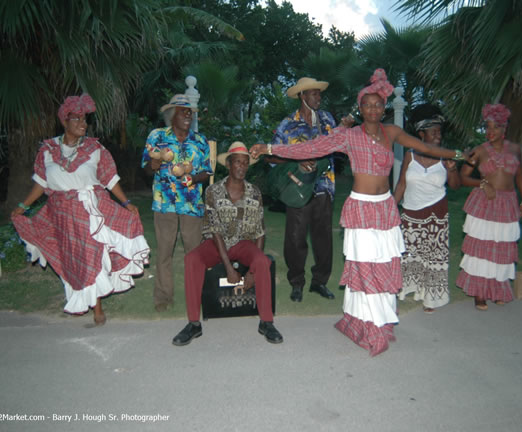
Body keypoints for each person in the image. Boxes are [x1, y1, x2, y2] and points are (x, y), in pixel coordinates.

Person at [250, 69, 464, 356]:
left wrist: (458, 155)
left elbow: (424, 146)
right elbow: (310, 148)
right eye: (368, 104)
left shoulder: (393, 132)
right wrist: (269, 147)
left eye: (378, 104)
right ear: (360, 108)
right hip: (361, 207)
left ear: (384, 106)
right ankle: (366, 324)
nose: (373, 109)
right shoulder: (349, 136)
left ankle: (381, 320)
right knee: (365, 267)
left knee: (384, 265)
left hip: (386, 208)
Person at [11, 94, 150, 326]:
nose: (83, 124)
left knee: (90, 254)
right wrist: (23, 207)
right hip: (62, 214)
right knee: (72, 258)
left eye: (85, 120)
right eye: (77, 119)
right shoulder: (47, 150)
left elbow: (109, 179)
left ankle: (97, 307)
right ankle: (81, 296)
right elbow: (41, 183)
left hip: (91, 209)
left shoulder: (95, 149)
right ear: (65, 122)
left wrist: (126, 203)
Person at [172, 142, 283, 346]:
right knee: (192, 260)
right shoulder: (213, 191)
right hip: (217, 243)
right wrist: (228, 268)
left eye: (245, 163)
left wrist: (251, 272)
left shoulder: (255, 192)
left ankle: (266, 321)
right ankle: (193, 324)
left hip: (243, 242)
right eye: (237, 163)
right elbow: (214, 230)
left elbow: (260, 231)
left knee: (262, 261)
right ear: (229, 165)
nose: (241, 167)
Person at [141, 94, 213, 312]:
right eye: (184, 111)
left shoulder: (200, 141)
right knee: (164, 252)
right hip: (164, 204)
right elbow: (145, 167)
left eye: (190, 112)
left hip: (191, 204)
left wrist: (193, 177)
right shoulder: (157, 137)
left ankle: (198, 294)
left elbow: (207, 172)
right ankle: (163, 297)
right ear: (172, 115)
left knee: (195, 252)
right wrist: (154, 162)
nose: (188, 116)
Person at [269, 77, 338, 302]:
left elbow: (338, 147)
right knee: (295, 238)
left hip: (323, 186)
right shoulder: (287, 124)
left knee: (323, 239)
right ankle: (296, 283)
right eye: (314, 94)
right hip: (298, 188)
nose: (318, 97)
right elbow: (272, 157)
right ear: (302, 96)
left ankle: (319, 282)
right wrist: (295, 163)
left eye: (319, 93)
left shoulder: (328, 120)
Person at [457, 103, 522, 310]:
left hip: (507, 203)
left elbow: (521, 177)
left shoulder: (516, 149)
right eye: (487, 128)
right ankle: (479, 292)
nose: (490, 132)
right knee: (482, 247)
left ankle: (498, 290)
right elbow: (463, 177)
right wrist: (482, 183)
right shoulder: (479, 151)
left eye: (495, 127)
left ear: (504, 127)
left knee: (502, 247)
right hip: (485, 202)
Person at [394, 104, 461, 313]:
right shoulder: (410, 156)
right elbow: (401, 184)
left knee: (434, 255)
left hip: (436, 214)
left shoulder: (445, 157)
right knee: (411, 253)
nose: (438, 136)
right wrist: (390, 207)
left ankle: (432, 297)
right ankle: (411, 288)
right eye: (433, 132)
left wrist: (453, 170)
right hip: (411, 213)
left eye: (440, 132)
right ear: (421, 134)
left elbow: (456, 185)